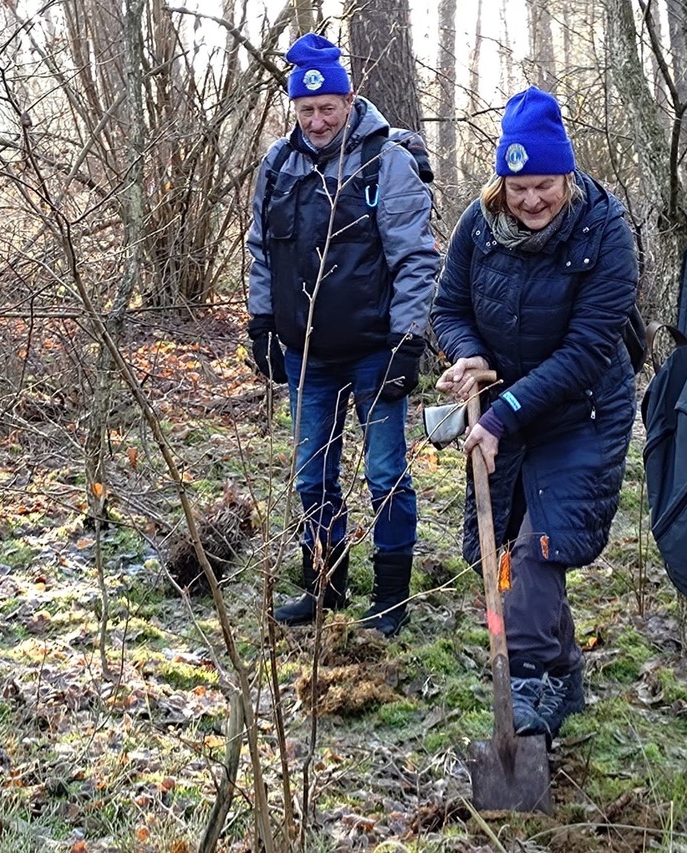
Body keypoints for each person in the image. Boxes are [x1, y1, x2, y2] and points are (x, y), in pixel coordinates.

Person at [431, 87, 639, 739]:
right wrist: (469, 359)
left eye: (543, 184)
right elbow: (449, 308)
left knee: (538, 550)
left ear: (566, 175)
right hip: (503, 412)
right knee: (508, 556)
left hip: (582, 412)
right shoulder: (477, 225)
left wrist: (500, 415)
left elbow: (585, 352)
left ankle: (522, 702)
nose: (530, 201)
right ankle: (565, 673)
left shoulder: (605, 231)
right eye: (517, 186)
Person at [245, 33, 438, 637]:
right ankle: (324, 586)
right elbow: (260, 251)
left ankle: (388, 597)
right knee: (311, 474)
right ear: (293, 110)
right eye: (306, 110)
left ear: (349, 100)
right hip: (307, 354)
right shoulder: (278, 166)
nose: (318, 120)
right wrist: (261, 322)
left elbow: (416, 259)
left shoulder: (387, 162)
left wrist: (410, 341)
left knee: (385, 474)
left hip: (376, 350)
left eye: (328, 107)